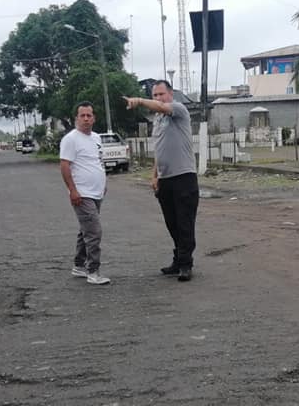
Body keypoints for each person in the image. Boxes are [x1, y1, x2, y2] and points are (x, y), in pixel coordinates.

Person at [125, 81, 198, 281]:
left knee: (184, 223)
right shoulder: (157, 120)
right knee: (172, 223)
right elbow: (159, 149)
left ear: (170, 94)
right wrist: (154, 175)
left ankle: (186, 264)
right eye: (155, 95)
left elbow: (161, 107)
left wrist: (140, 101)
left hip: (184, 176)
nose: (158, 98)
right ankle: (178, 259)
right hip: (165, 179)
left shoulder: (178, 109)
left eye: (161, 94)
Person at [59, 101, 110, 285]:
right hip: (82, 193)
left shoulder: (96, 138)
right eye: (83, 115)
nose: (86, 119)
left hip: (96, 192)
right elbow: (64, 165)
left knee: (86, 230)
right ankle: (93, 271)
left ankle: (79, 265)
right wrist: (73, 190)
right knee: (94, 231)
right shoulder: (71, 139)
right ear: (76, 118)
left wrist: (104, 182)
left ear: (94, 118)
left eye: (89, 115)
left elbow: (98, 161)